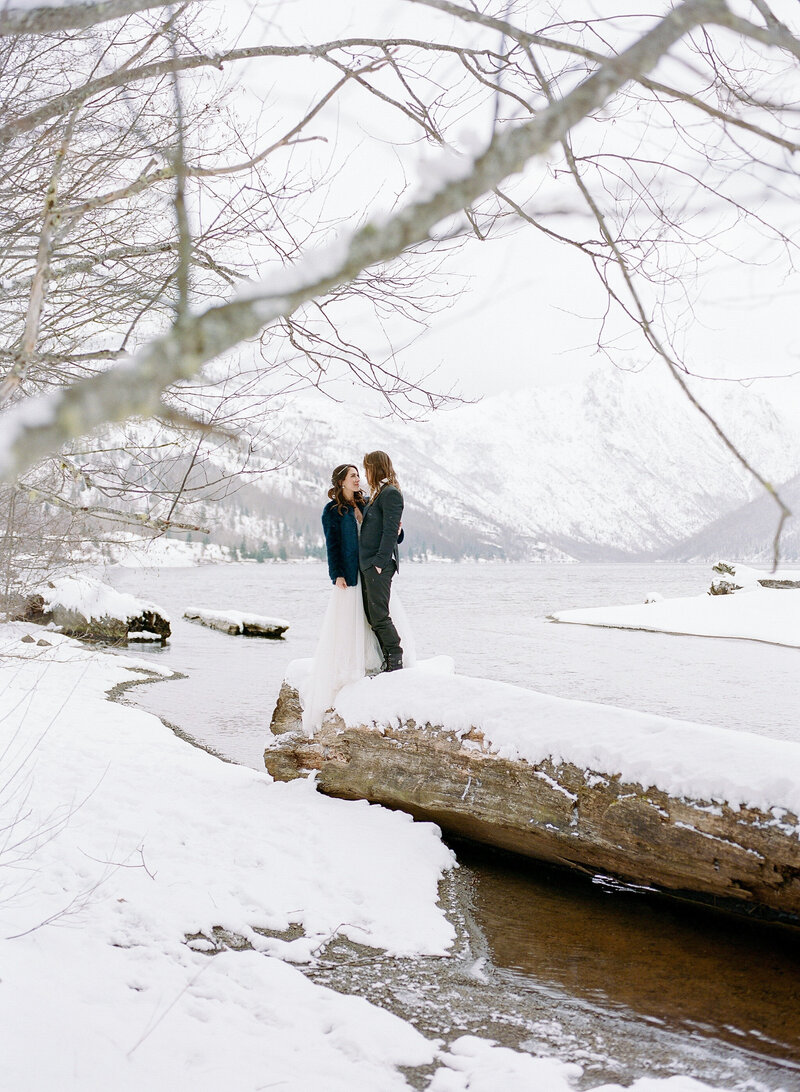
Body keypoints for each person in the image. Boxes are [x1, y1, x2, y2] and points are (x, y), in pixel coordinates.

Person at [300, 464, 382, 735]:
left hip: (369, 571)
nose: (358, 479)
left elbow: (383, 532)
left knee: (371, 618)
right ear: (341, 482)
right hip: (348, 574)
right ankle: (349, 667)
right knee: (348, 621)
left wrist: (399, 532)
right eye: (352, 476)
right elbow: (331, 544)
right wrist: (336, 574)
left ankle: (374, 663)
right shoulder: (332, 511)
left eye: (358, 475)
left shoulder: (367, 503)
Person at [360, 450, 405, 672]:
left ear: (375, 468)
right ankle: (387, 659)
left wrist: (379, 562)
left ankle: (395, 658)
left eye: (367, 468)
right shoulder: (378, 494)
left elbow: (390, 532)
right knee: (372, 616)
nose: (365, 473)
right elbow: (393, 529)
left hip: (379, 565)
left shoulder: (390, 493)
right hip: (369, 563)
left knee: (379, 615)